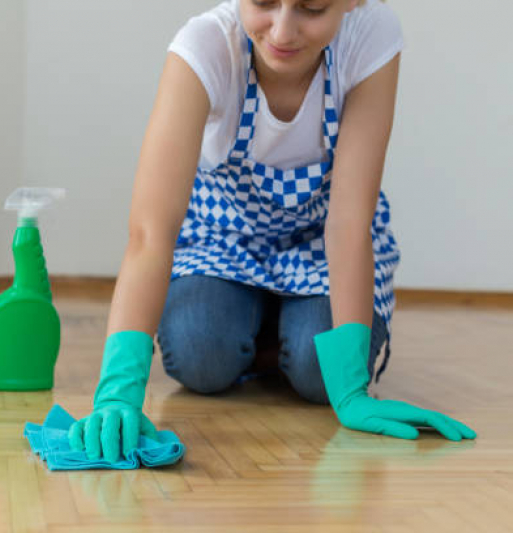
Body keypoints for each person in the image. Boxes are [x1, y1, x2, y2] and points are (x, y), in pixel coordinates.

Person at [68, 0, 476, 464]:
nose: (283, 31)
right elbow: (150, 232)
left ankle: (283, 338)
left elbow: (347, 222)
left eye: (313, 7)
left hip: (322, 247)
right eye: (264, 2)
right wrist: (117, 393)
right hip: (224, 243)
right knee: (200, 353)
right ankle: (264, 330)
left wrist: (353, 392)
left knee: (321, 374)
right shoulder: (205, 49)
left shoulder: (370, 36)